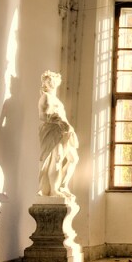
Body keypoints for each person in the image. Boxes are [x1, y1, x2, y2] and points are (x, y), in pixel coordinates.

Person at [38, 70, 79, 199]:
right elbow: (43, 116)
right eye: (45, 81)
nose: (46, 84)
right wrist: (59, 121)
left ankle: (62, 186)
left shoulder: (54, 98)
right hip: (53, 131)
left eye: (49, 81)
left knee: (73, 159)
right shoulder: (45, 97)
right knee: (57, 159)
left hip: (63, 131)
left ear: (55, 83)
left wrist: (68, 127)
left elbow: (61, 115)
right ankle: (53, 190)